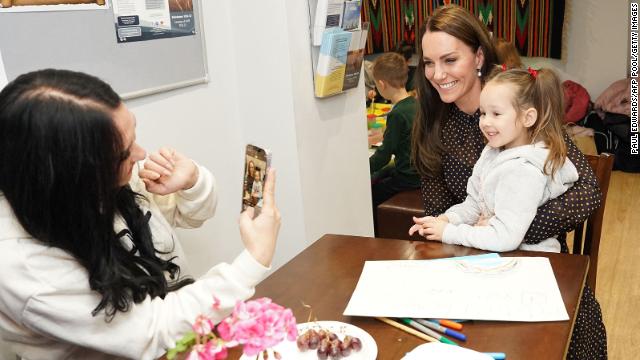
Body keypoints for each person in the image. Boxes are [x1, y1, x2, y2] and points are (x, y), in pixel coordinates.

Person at [0, 69, 281, 360]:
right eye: (124, 154)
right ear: (73, 175)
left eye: (134, 136)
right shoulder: (23, 266)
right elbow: (152, 331)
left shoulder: (108, 177)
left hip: (182, 340)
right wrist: (254, 259)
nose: (140, 153)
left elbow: (196, 213)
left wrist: (193, 181)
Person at [409, 5, 606, 359]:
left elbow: (588, 191)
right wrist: (458, 229)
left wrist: (511, 231)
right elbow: (441, 212)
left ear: (479, 56)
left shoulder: (519, 103)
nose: (437, 74)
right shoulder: (434, 122)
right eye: (428, 63)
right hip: (474, 264)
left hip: (542, 266)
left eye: (450, 60)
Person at [409, 67, 578, 253]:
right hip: (495, 252)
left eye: (496, 114)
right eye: (483, 113)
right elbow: (474, 204)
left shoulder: (524, 171)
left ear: (528, 118)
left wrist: (450, 233)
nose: (485, 122)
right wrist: (447, 220)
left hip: (527, 262)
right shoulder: (492, 152)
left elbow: (504, 238)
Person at [369, 52, 420, 216]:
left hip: (408, 178)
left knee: (372, 190)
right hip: (419, 172)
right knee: (381, 173)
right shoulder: (415, 104)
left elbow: (384, 155)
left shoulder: (397, 114)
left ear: (382, 84)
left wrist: (363, 169)